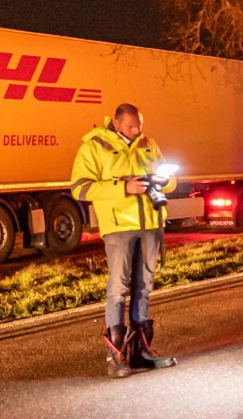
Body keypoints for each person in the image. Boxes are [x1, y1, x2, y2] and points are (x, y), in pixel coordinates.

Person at [69, 103, 179, 377]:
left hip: (150, 225)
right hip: (119, 227)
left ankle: (141, 352)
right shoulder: (95, 146)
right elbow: (79, 188)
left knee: (144, 288)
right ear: (116, 123)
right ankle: (115, 356)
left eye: (139, 126)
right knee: (118, 289)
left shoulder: (148, 144)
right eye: (131, 126)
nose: (136, 131)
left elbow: (172, 182)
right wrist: (124, 187)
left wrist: (162, 181)